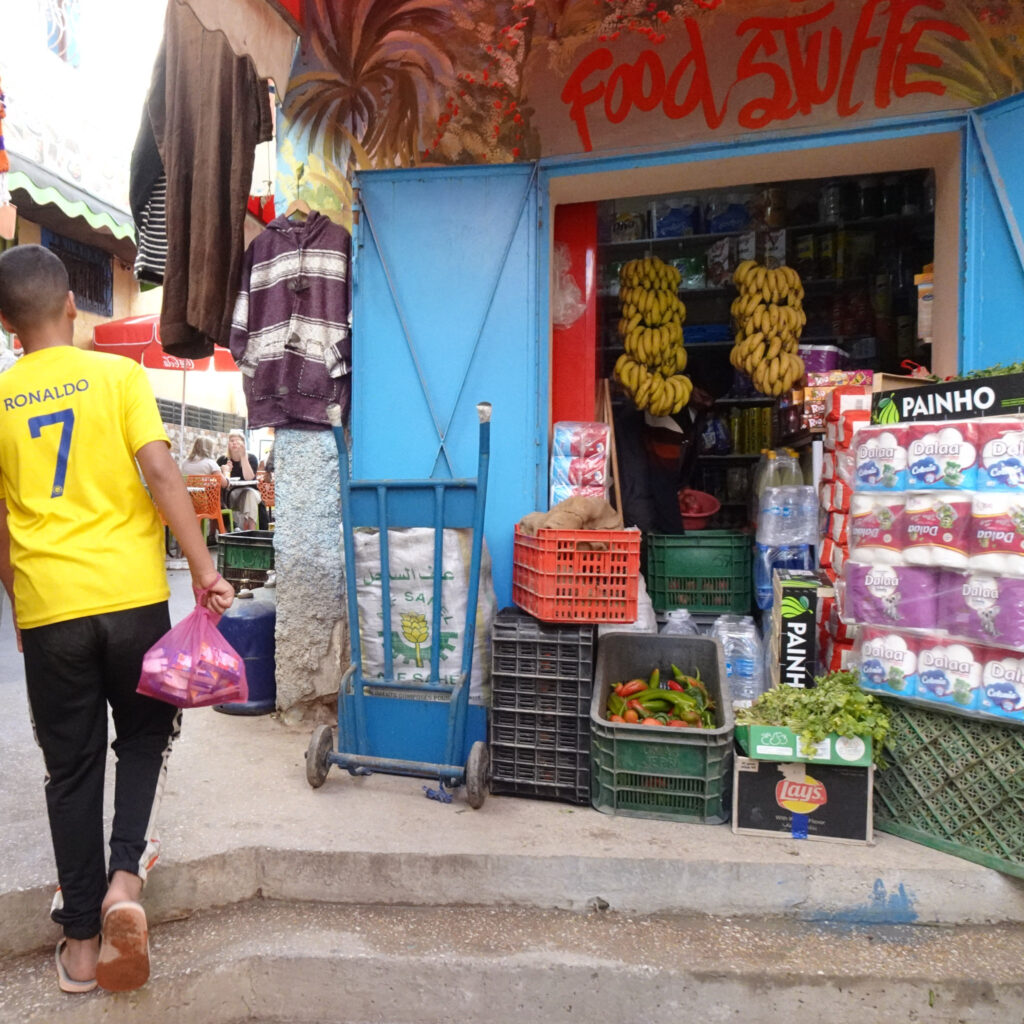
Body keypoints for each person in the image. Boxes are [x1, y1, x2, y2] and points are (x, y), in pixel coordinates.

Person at [0, 245, 234, 995]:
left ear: (8, 327)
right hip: (132, 598)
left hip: (51, 607)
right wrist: (202, 568)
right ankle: (124, 881)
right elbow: (162, 471)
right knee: (142, 735)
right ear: (72, 306)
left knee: (69, 769)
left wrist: (20, 601)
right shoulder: (120, 375)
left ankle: (77, 947)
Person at [217, 430, 260, 531]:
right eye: (232, 440)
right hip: (230, 495)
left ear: (244, 444)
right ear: (228, 444)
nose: (234, 443)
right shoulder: (222, 460)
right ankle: (249, 530)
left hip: (251, 492)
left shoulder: (251, 458)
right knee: (249, 496)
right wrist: (225, 471)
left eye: (238, 440)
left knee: (250, 494)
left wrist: (243, 456)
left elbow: (249, 478)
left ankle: (251, 531)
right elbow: (220, 483)